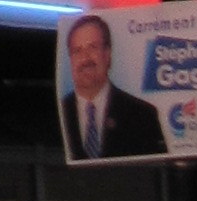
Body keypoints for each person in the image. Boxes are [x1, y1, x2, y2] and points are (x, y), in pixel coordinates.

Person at [60, 12, 166, 162]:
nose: (85, 58)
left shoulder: (143, 115)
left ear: (108, 54)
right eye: (77, 51)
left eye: (93, 47)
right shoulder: (59, 112)